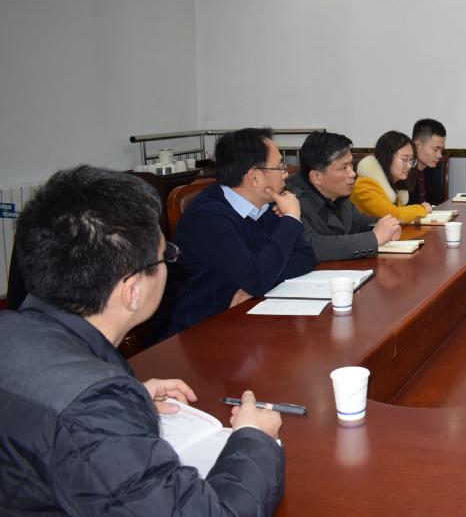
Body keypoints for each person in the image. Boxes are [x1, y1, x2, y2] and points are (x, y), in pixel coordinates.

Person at [0, 166, 285, 515]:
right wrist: (255, 439)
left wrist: (128, 396)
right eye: (166, 256)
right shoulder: (92, 408)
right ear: (132, 291)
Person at [160, 128, 315, 338]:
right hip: (196, 332)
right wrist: (291, 219)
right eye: (279, 166)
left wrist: (257, 285)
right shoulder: (208, 218)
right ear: (254, 177)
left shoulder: (266, 204)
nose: (285, 173)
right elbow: (257, 278)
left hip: (243, 319)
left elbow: (305, 256)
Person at [286, 131, 401, 262]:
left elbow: (359, 222)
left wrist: (387, 226)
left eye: (351, 164)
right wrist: (374, 238)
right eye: (344, 167)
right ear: (316, 176)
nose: (352, 173)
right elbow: (312, 246)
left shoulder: (338, 193)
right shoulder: (291, 199)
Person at [351, 130, 432, 223]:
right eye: (404, 159)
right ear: (387, 158)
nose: (409, 165)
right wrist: (421, 209)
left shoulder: (392, 183)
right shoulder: (365, 185)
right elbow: (393, 215)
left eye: (411, 160)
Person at [408, 118, 447, 206]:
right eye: (435, 149)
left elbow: (436, 203)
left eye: (441, 150)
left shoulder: (432, 168)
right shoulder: (403, 172)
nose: (440, 155)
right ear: (418, 145)